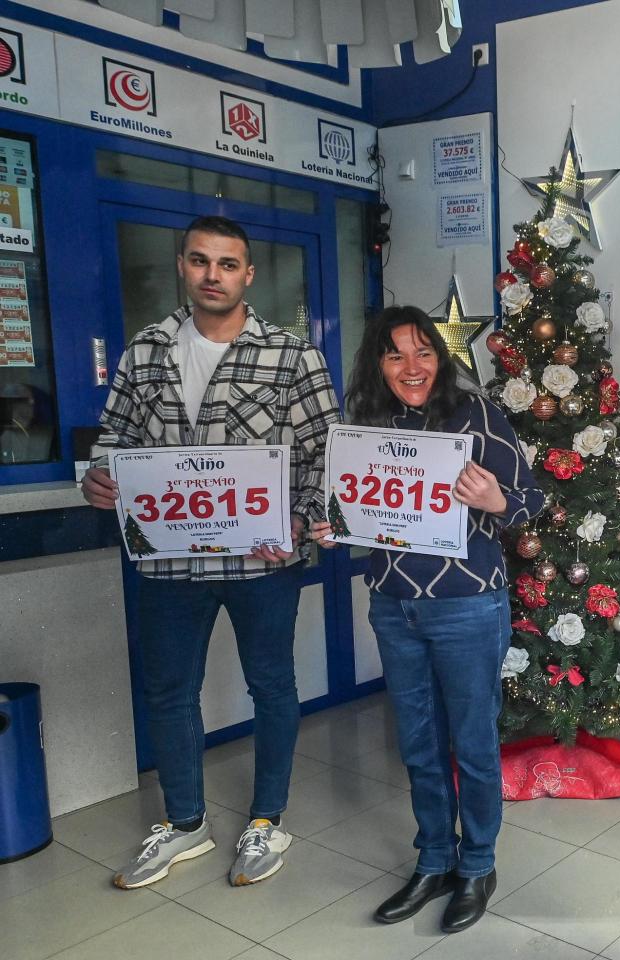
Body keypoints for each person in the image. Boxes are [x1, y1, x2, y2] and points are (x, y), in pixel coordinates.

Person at [82, 215, 338, 890]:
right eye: (200, 261)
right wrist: (99, 476)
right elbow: (114, 437)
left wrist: (306, 518)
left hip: (263, 560)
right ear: (182, 267)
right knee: (168, 691)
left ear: (248, 275)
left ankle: (265, 822)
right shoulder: (146, 351)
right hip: (168, 562)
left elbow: (325, 450)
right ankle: (186, 823)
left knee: (272, 686)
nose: (213, 275)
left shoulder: (290, 355)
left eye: (227, 265)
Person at [310, 305, 544, 934]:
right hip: (394, 604)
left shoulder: (477, 416)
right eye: (395, 354)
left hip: (468, 605)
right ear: (377, 363)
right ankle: (435, 859)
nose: (411, 367)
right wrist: (332, 526)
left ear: (441, 360)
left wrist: (493, 499)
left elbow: (529, 502)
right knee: (417, 743)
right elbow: (346, 507)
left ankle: (479, 865)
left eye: (423, 353)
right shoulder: (366, 425)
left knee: (471, 742)